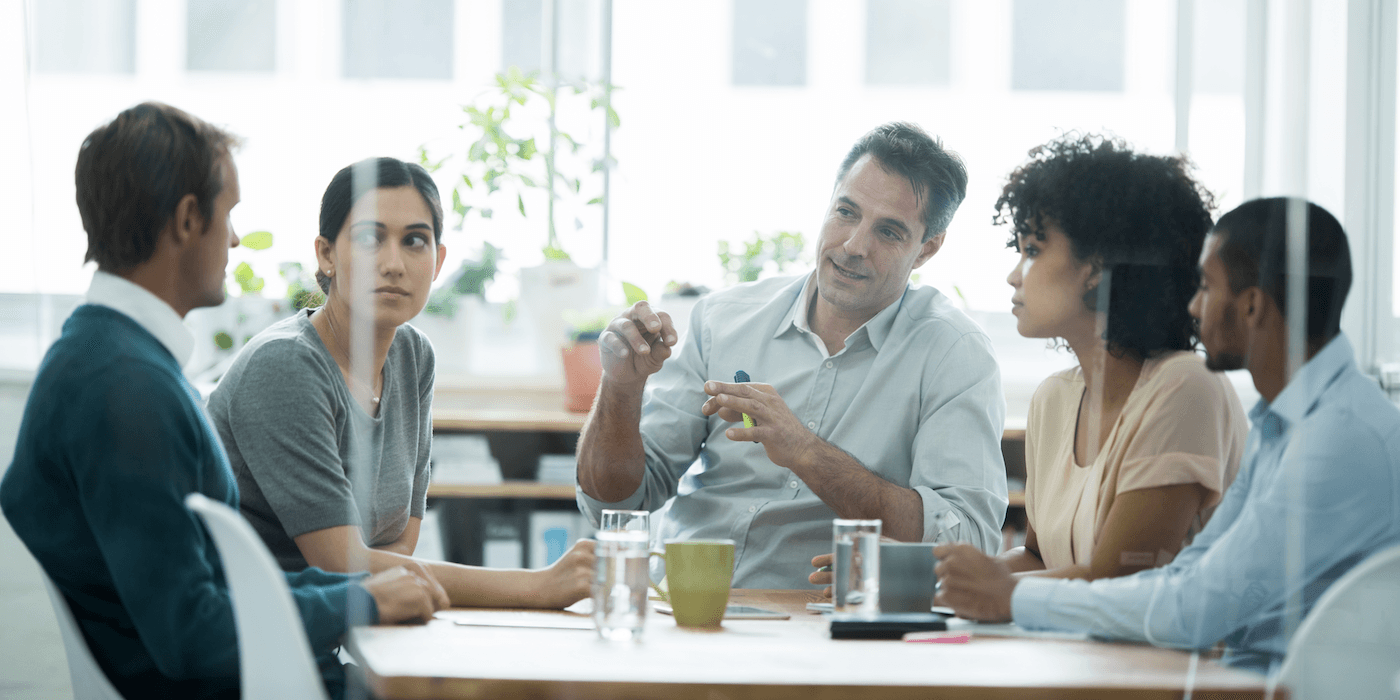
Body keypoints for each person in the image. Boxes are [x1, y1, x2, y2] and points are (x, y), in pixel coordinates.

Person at [0, 103, 446, 700]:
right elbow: (192, 635)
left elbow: (221, 591)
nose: (235, 238)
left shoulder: (110, 359)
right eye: (228, 213)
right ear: (189, 220)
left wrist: (358, 596)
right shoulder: (125, 389)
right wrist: (360, 598)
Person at [935, 198, 1400, 674]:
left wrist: (1015, 597)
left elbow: (1194, 610)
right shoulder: (1282, 423)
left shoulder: (1338, 439)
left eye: (1205, 287)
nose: (1194, 306)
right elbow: (1186, 574)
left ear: (1253, 305)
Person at [575, 122, 1008, 589]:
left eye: (888, 232)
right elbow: (616, 504)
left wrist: (807, 452)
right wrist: (620, 387)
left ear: (927, 249)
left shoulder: (954, 354)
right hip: (686, 607)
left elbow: (970, 543)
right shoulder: (723, 319)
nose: (853, 246)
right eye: (846, 212)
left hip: (827, 623)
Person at [206, 157, 594, 609]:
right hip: (255, 639)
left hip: (340, 627)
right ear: (326, 254)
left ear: (437, 262)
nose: (393, 264)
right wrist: (536, 587)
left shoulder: (412, 356)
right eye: (371, 238)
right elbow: (343, 565)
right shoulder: (285, 364)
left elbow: (397, 545)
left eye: (414, 241)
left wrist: (372, 568)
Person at [992, 134, 1247, 580]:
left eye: (1033, 251)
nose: (1014, 276)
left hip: (1168, 652)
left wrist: (979, 589)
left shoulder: (1186, 387)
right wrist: (925, 581)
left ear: (1095, 267)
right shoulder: (1053, 399)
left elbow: (1115, 582)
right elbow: (1037, 559)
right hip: (1075, 651)